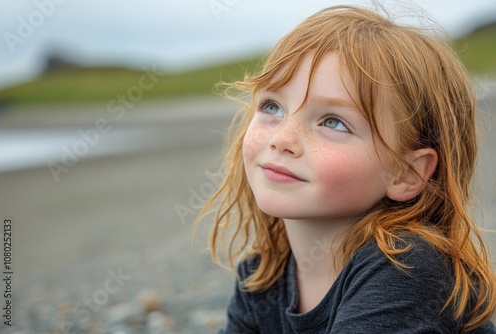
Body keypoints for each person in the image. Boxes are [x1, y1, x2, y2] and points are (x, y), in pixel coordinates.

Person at [196, 4, 496, 333]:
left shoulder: (407, 265)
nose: (282, 139)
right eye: (272, 106)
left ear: (406, 174)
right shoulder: (261, 278)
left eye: (334, 122)